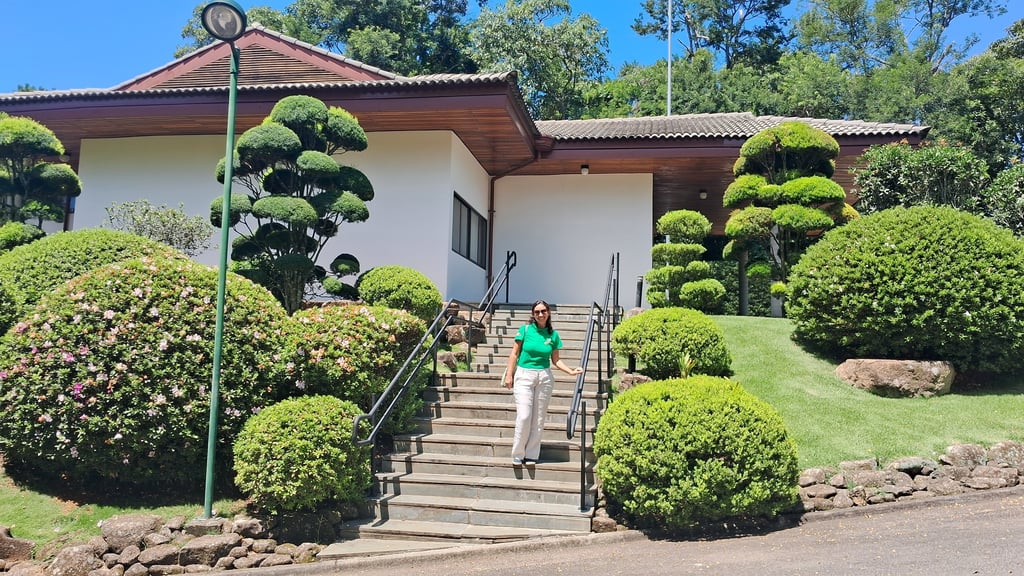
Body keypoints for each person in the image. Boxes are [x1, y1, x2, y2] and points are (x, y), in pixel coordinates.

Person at [503, 300, 583, 467]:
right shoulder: (525, 330)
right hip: (524, 375)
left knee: (538, 419)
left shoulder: (553, 335)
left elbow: (556, 360)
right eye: (537, 311)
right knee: (524, 416)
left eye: (543, 311)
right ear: (533, 314)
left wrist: (570, 371)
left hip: (544, 377)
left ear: (548, 313)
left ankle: (532, 454)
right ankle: (518, 453)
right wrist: (509, 375)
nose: (540, 314)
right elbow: (514, 354)